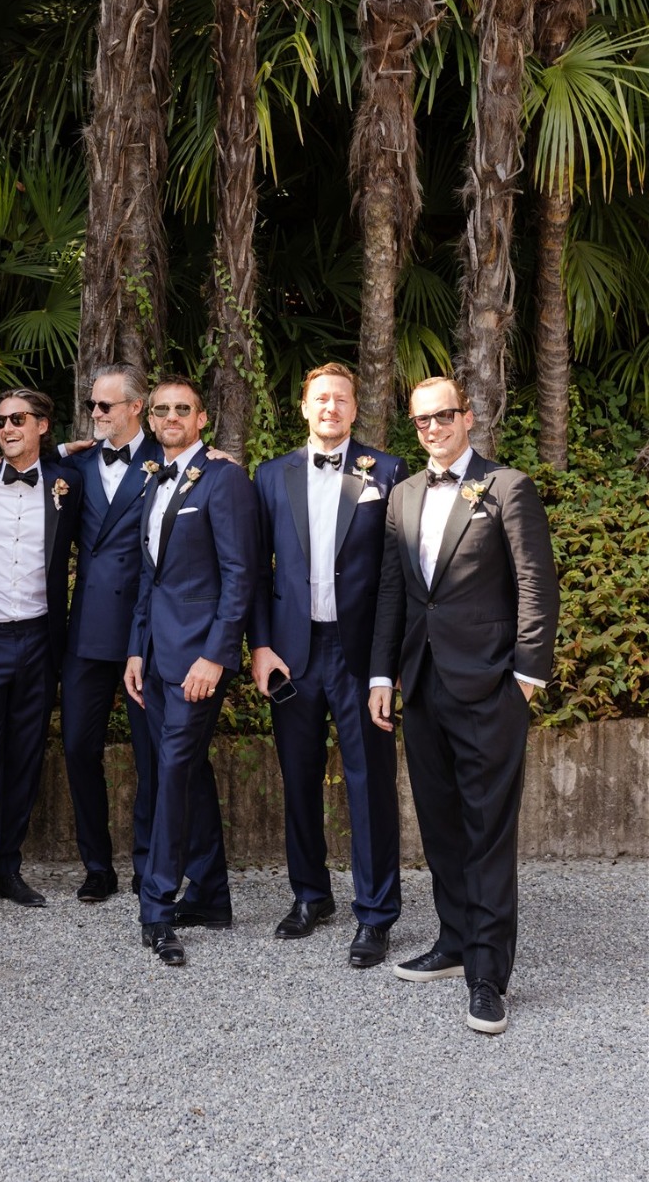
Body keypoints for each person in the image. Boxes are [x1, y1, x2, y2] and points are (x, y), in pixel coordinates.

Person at [369, 375, 559, 1036]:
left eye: (443, 415)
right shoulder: (402, 496)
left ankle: (488, 973)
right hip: (421, 684)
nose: (432, 427)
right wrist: (380, 676)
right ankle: (454, 940)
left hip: (490, 687)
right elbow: (394, 592)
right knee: (441, 823)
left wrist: (528, 676)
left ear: (468, 417)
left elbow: (536, 582)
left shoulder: (507, 488)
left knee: (487, 831)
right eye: (421, 419)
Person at [251, 362, 408, 966]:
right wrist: (260, 646)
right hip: (291, 653)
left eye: (341, 399)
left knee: (370, 784)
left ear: (355, 407)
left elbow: (396, 579)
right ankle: (311, 895)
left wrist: (385, 668)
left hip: (359, 652)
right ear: (303, 405)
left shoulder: (387, 472)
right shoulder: (271, 476)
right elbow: (255, 571)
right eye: (321, 398)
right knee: (298, 778)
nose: (331, 408)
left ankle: (375, 914)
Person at [124, 375, 258, 966]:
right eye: (162, 411)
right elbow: (148, 577)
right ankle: (211, 896)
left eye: (183, 409)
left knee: (173, 774)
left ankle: (157, 907)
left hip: (198, 661)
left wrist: (216, 654)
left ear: (202, 419)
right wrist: (135, 649)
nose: (171, 417)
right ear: (150, 419)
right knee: (187, 772)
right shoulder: (156, 478)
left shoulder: (225, 479)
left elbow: (240, 575)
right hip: (154, 656)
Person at [0, 389, 81, 932]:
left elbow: (128, 458)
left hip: (38, 641)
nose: (6, 428)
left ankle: (8, 867)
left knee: (26, 759)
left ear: (42, 425)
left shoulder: (67, 482)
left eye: (18, 420)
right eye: (0, 420)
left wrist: (211, 455)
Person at [60, 365, 159, 903]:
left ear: (135, 407)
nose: (95, 414)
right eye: (92, 407)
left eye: (105, 407)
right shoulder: (72, 465)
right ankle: (97, 865)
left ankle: (149, 865)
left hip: (145, 633)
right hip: (87, 633)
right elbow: (27, 461)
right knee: (78, 748)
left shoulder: (166, 462)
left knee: (150, 757)